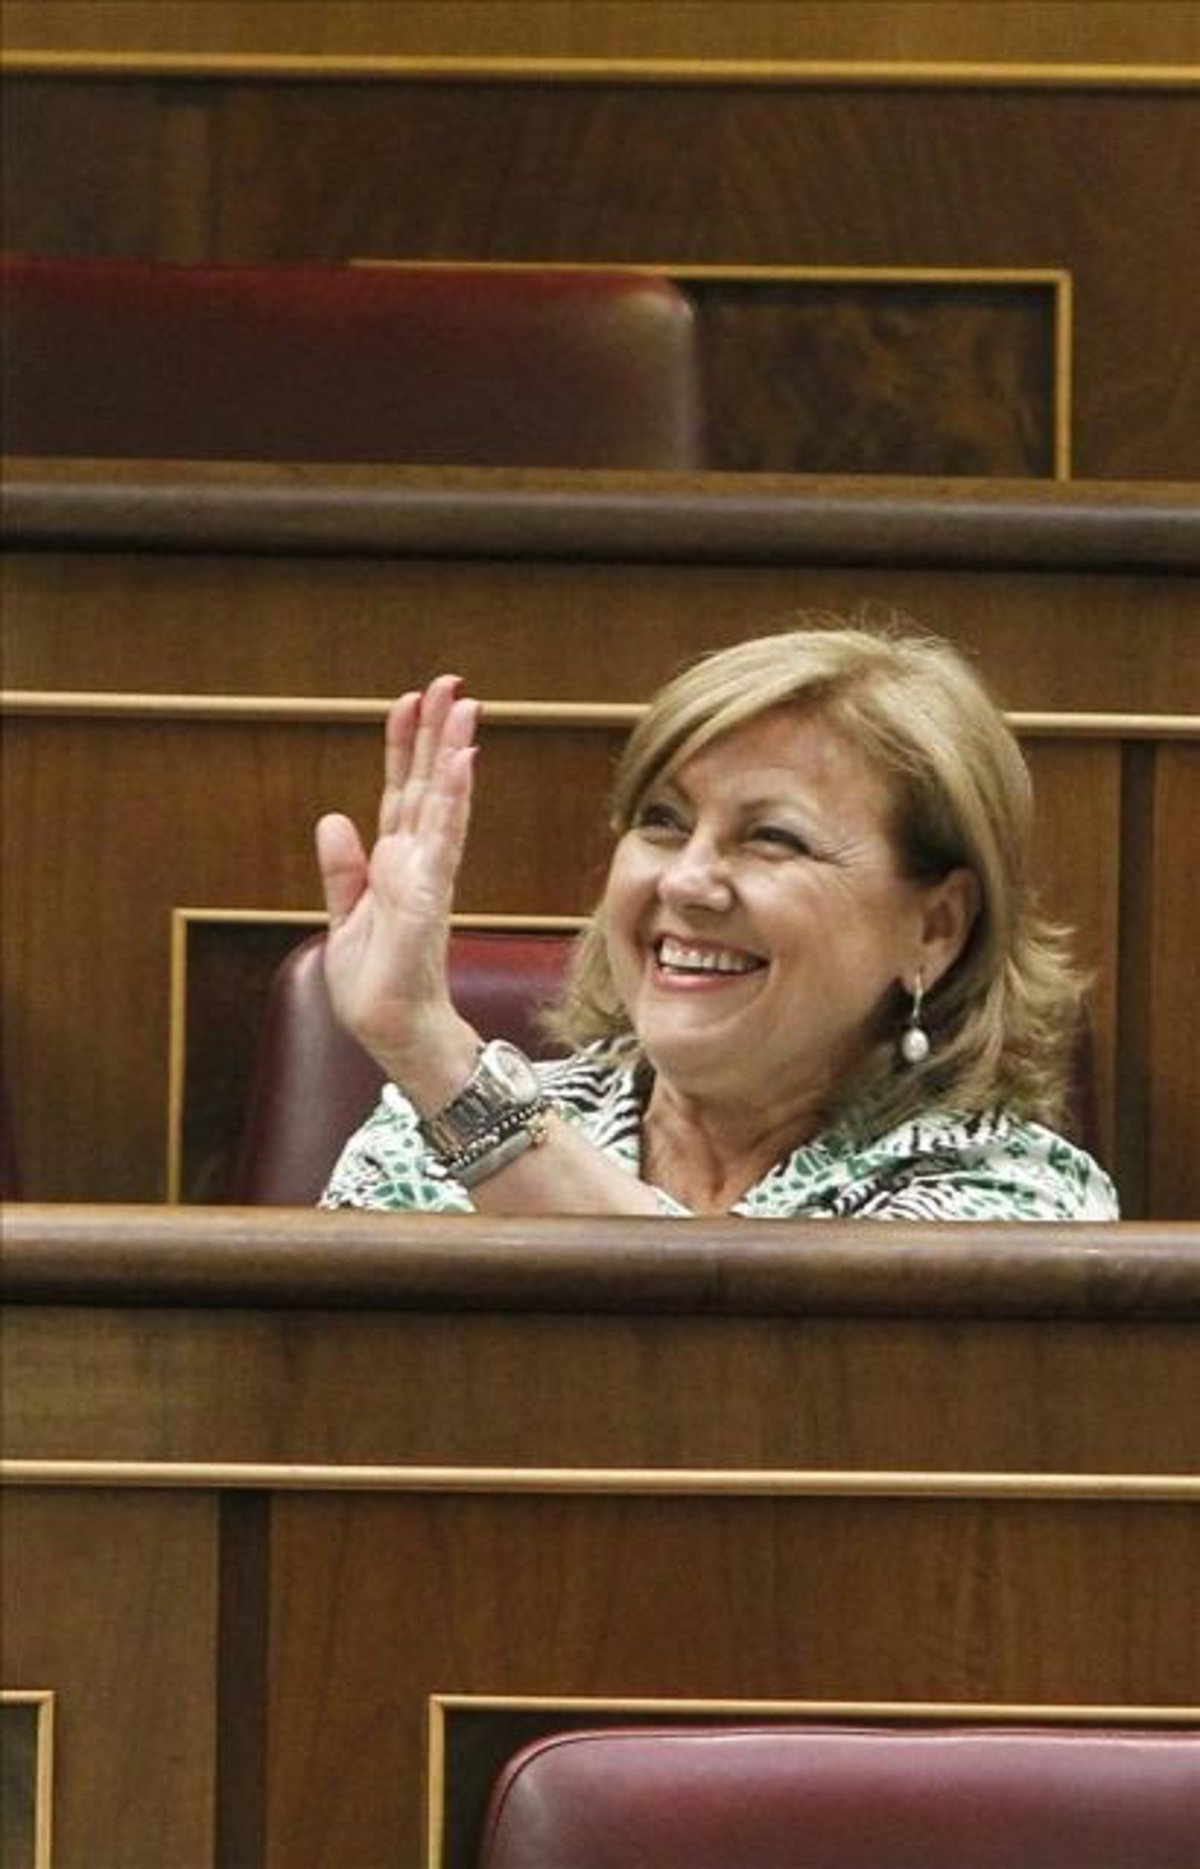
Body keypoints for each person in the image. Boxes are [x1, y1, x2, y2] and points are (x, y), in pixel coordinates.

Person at [315, 621, 1118, 1220]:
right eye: (663, 821)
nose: (688, 880)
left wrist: (436, 1055)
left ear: (934, 927)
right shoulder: (418, 1139)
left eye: (773, 837)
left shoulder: (1015, 1199)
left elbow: (735, 1358)